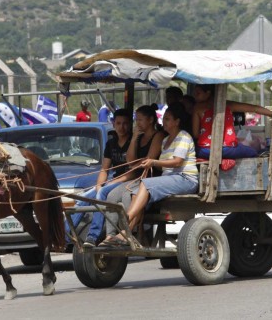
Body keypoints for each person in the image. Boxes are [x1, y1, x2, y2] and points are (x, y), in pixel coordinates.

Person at [103, 103, 198, 245]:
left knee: (145, 184)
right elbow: (133, 161)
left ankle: (127, 223)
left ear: (177, 121)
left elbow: (177, 162)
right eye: (163, 118)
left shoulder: (183, 136)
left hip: (185, 179)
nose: (163, 122)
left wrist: (153, 162)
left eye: (167, 119)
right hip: (170, 179)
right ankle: (128, 232)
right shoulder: (166, 140)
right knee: (134, 192)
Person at [66, 109, 133, 247]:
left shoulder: (133, 142)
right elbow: (104, 169)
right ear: (114, 124)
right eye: (119, 123)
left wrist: (106, 186)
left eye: (125, 123)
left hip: (127, 181)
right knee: (84, 198)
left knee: (102, 193)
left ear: (130, 124)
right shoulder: (111, 144)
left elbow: (134, 171)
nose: (122, 127)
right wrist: (98, 185)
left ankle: (92, 236)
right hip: (113, 180)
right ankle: (65, 236)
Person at [101, 104, 165, 245]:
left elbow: (149, 160)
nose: (137, 123)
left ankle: (128, 232)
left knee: (127, 195)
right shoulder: (138, 137)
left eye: (140, 120)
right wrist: (135, 138)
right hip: (136, 177)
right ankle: (110, 235)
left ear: (150, 120)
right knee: (111, 196)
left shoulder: (158, 136)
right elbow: (130, 160)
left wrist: (135, 165)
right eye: (136, 120)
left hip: (149, 178)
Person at [192, 84, 272, 161]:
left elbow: (195, 134)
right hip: (228, 150)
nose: (194, 95)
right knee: (252, 152)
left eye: (198, 92)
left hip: (205, 151)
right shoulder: (228, 105)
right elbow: (255, 108)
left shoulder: (197, 108)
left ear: (208, 93)